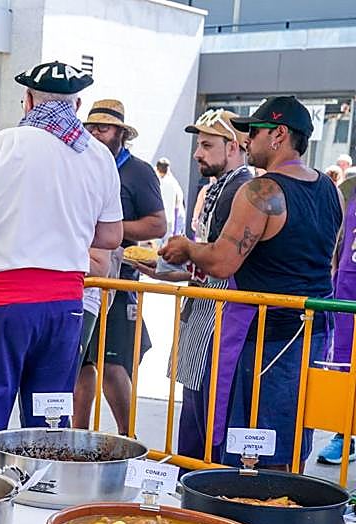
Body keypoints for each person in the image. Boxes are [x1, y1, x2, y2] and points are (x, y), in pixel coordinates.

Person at [0, 60, 123, 470]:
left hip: (4, 303)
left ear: (28, 100)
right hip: (65, 305)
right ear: (76, 104)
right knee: (49, 414)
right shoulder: (98, 157)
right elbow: (110, 238)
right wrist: (65, 228)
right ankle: (37, 500)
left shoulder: (5, 145)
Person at [162, 95, 343, 469]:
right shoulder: (331, 190)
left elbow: (224, 262)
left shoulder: (262, 192)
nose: (247, 141)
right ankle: (276, 507)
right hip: (311, 330)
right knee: (288, 438)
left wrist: (188, 249)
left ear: (279, 135)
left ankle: (242, 515)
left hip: (262, 334)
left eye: (255, 132)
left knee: (245, 444)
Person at [136, 109, 251, 460]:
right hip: (204, 311)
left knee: (206, 417)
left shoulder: (241, 189)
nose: (198, 153)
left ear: (233, 146)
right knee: (195, 412)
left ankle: (199, 487)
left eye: (206, 144)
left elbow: (222, 262)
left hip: (221, 315)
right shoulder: (221, 186)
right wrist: (166, 268)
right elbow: (206, 263)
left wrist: (183, 256)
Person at [74, 99, 166, 433]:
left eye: (104, 127)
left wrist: (110, 228)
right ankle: (75, 437)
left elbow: (158, 225)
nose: (96, 133)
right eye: (92, 126)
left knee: (112, 364)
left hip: (120, 280)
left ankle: (129, 439)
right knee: (81, 364)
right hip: (82, 279)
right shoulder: (80, 163)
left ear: (121, 133)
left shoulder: (138, 171)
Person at [318, 167, 356, 463]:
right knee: (344, 362)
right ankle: (344, 434)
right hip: (346, 292)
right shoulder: (348, 188)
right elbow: (335, 238)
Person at [155, 157, 186, 240]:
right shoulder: (173, 182)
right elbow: (179, 201)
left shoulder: (158, 182)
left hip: (161, 219)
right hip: (171, 219)